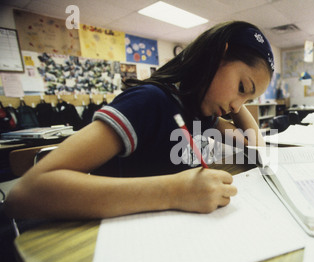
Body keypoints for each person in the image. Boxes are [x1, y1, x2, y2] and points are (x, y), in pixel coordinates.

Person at [5, 21, 274, 219]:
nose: (237, 106)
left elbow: (254, 145)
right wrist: (174, 192)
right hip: (115, 242)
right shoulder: (149, 102)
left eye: (249, 100)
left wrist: (236, 101)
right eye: (241, 87)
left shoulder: (202, 113)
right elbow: (26, 193)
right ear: (218, 56)